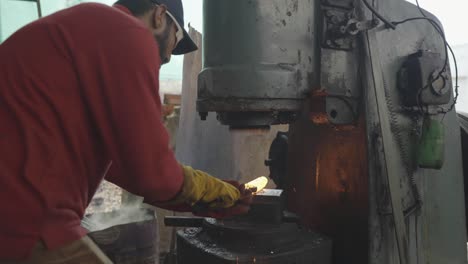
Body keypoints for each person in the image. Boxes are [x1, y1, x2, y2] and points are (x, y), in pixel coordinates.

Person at [0, 0, 253, 263]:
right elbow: (154, 173)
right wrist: (215, 189)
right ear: (159, 15)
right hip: (23, 215)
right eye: (175, 40)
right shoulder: (129, 34)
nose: (167, 57)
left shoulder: (87, 30)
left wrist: (211, 200)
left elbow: (129, 167)